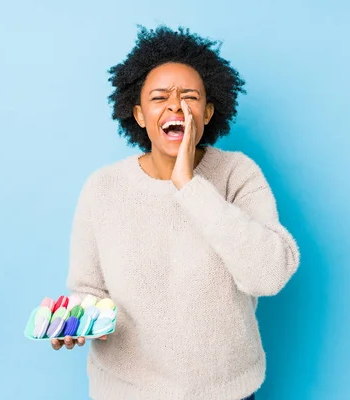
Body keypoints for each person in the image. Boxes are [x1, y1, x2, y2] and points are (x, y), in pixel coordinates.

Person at [51, 25, 300, 400]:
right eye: (159, 97)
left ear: (208, 110)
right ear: (138, 114)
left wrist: (189, 185)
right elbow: (88, 289)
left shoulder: (237, 174)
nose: (175, 106)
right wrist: (78, 323)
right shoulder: (103, 187)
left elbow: (268, 275)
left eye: (189, 96)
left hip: (226, 391)